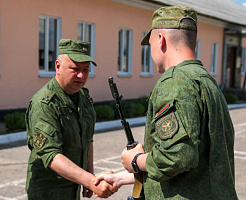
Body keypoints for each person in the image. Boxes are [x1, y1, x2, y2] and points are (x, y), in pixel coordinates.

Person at [95, 6, 239, 200]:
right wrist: (122, 178)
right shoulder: (207, 82)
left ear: (161, 40)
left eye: (151, 43)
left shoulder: (174, 82)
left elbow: (178, 156)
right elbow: (196, 161)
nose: (152, 51)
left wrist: (136, 160)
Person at [25, 39, 116, 199]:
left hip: (72, 189)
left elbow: (87, 138)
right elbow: (51, 155)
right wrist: (91, 181)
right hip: (48, 192)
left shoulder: (83, 96)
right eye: (75, 69)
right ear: (58, 67)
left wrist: (89, 173)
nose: (81, 75)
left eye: (86, 70)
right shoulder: (45, 103)